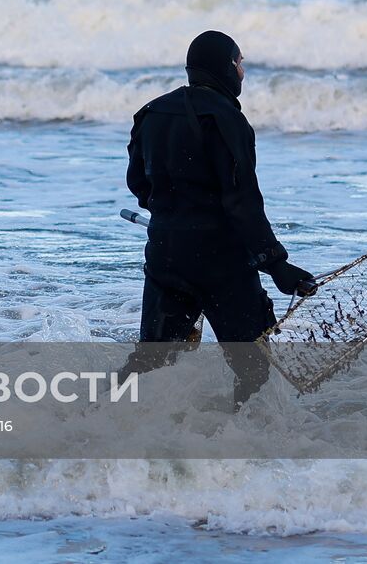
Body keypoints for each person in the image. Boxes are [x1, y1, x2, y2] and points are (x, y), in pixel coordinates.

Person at [124, 30, 316, 405]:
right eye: (239, 62)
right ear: (225, 67)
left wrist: (175, 219)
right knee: (254, 369)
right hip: (220, 263)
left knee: (151, 362)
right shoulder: (228, 118)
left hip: (164, 255)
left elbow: (139, 185)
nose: (243, 71)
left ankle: (91, 421)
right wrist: (277, 266)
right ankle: (242, 450)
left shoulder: (151, 113)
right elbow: (242, 203)